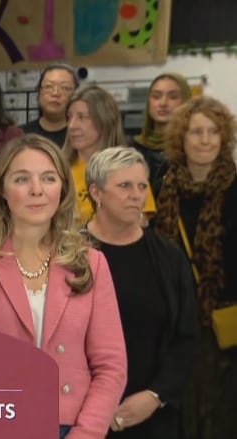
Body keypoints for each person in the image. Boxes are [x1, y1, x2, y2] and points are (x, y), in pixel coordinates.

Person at [0, 134, 127, 438]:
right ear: (3, 190)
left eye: (48, 178)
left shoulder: (91, 262)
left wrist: (85, 434)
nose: (37, 190)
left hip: (71, 427)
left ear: (62, 188)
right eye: (22, 179)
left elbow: (111, 366)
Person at [83, 146, 199, 439]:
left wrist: (155, 395)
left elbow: (187, 335)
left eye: (141, 186)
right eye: (124, 186)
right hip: (83, 415)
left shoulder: (169, 257)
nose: (137, 195)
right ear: (96, 193)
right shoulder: (69, 253)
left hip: (154, 417)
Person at [152, 96, 237, 439]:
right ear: (181, 139)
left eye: (213, 132)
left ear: (224, 137)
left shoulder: (235, 189)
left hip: (225, 326)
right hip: (173, 323)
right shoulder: (161, 189)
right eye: (196, 132)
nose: (205, 140)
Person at [63, 84, 156, 223]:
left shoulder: (130, 170)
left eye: (82, 117)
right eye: (69, 117)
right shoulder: (58, 170)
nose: (72, 125)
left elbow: (139, 225)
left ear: (105, 120)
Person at [132, 73, 192, 197]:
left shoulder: (194, 149)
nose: (163, 103)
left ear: (186, 101)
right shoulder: (131, 150)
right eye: (156, 96)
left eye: (173, 97)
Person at [22, 62, 79, 147]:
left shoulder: (79, 135)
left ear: (75, 94)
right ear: (39, 91)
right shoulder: (21, 135)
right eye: (49, 86)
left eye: (64, 88)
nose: (55, 93)